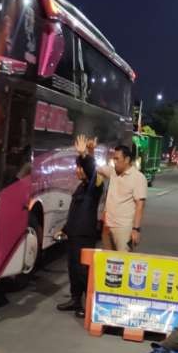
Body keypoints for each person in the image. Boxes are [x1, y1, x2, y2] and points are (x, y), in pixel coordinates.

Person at [76, 136, 147, 252]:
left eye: (117, 159)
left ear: (127, 160)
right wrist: (90, 152)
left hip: (124, 229)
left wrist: (136, 229)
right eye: (114, 159)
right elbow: (94, 169)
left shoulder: (138, 178)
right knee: (108, 262)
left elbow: (140, 205)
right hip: (107, 226)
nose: (114, 162)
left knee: (123, 262)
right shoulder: (113, 172)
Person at [56, 151, 104, 318]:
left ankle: (88, 304)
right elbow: (74, 212)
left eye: (79, 167)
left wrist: (85, 156)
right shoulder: (81, 186)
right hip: (74, 234)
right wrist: (65, 229)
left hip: (85, 235)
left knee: (83, 271)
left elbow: (92, 170)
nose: (76, 170)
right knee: (73, 269)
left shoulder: (94, 187)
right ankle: (75, 300)